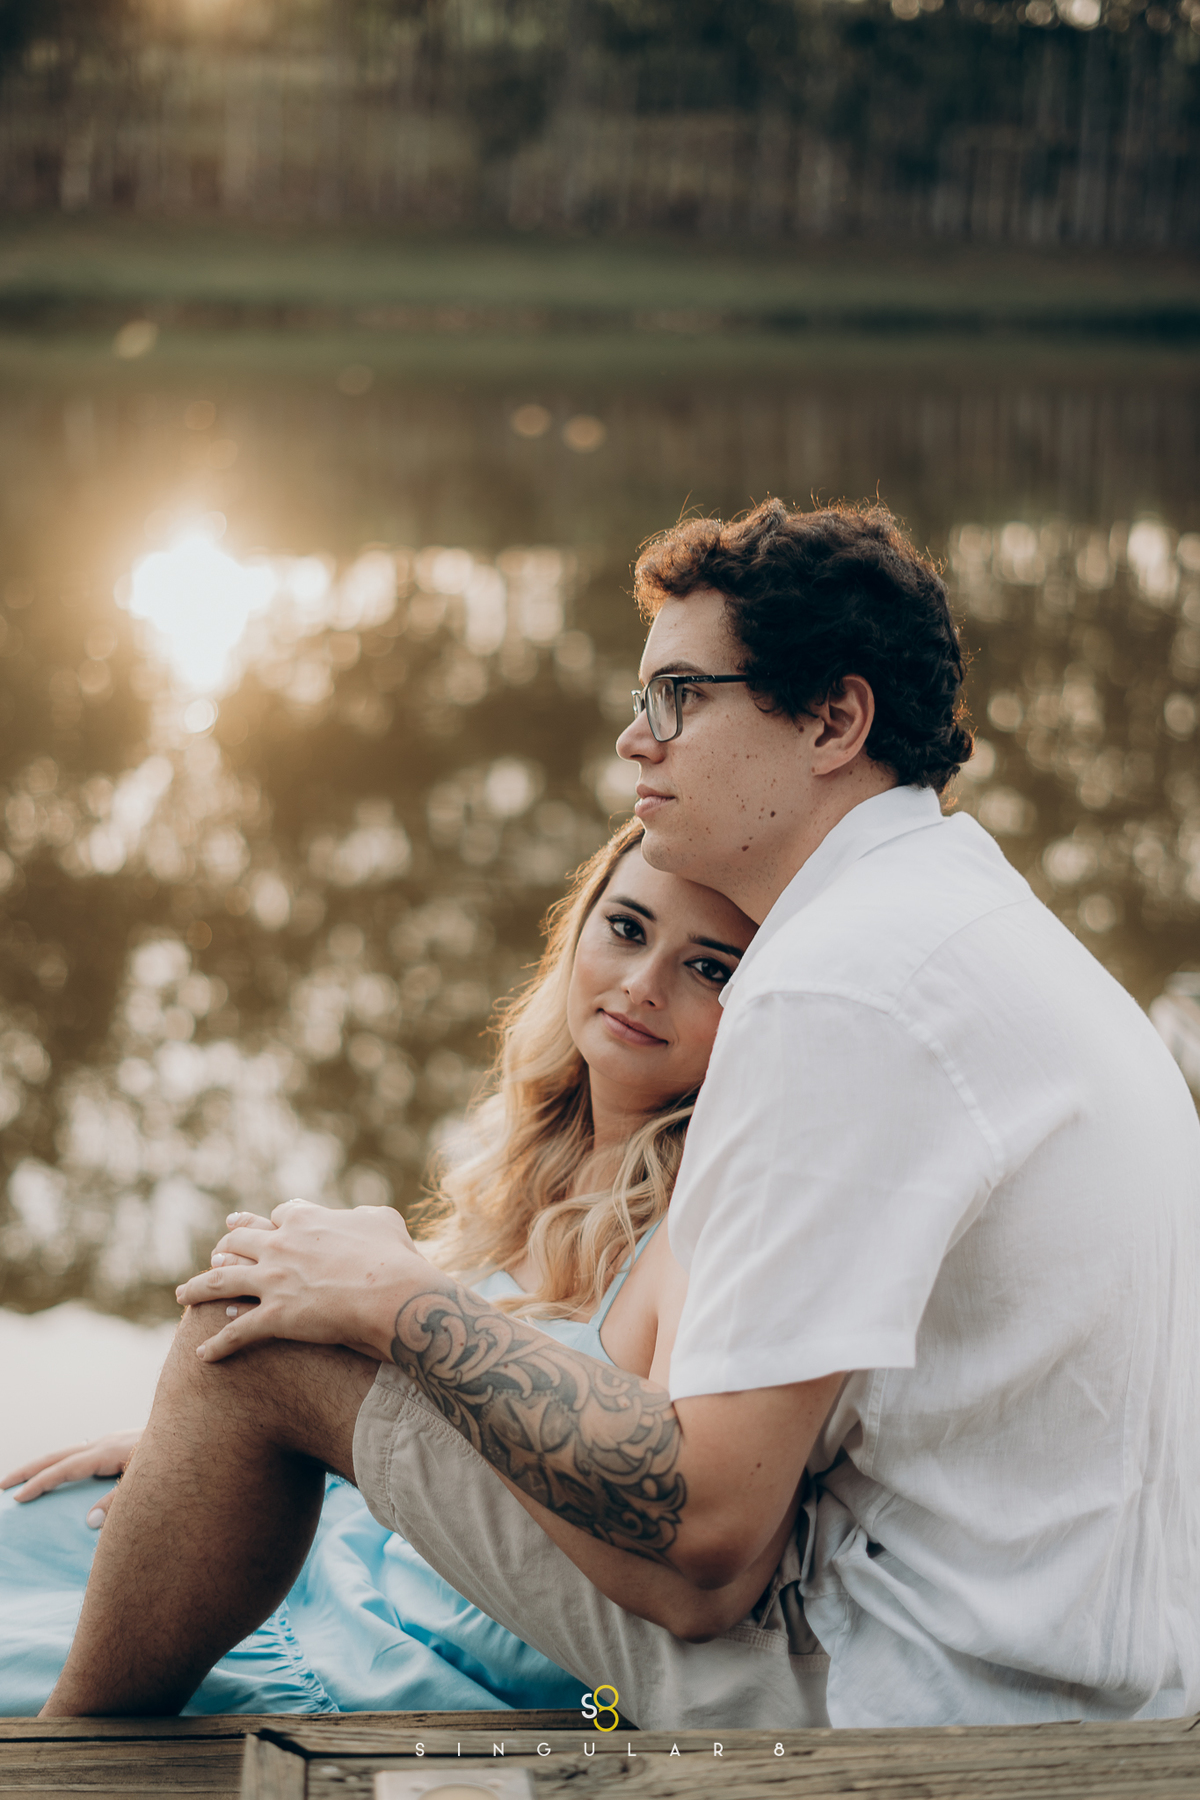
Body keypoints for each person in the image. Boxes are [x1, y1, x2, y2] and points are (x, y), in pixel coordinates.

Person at [40, 499, 1200, 1729]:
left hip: (893, 1700)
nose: (635, 738)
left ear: (833, 721)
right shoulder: (966, 924)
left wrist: (398, 1305)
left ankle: (64, 1766)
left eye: (680, 697)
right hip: (1073, 1679)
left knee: (257, 1327)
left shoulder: (840, 989)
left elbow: (709, 1535)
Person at [1, 820, 765, 1717]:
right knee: (35, 1525)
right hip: (336, 1562)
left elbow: (670, 1522)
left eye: (708, 968)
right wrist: (208, 1445)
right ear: (578, 931)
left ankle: (66, 1757)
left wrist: (271, 1400)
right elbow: (418, 1425)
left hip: (407, 1659)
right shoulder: (532, 1171)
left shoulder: (701, 1225)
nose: (642, 985)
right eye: (627, 929)